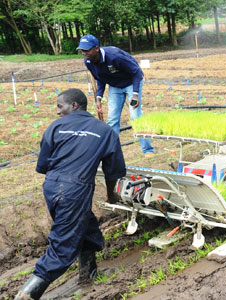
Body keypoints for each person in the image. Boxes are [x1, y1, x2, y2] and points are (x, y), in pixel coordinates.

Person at [14, 89, 126, 300]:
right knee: (63, 246)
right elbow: (114, 172)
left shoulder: (56, 127)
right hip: (75, 189)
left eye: (60, 106)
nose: (57, 112)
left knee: (85, 225)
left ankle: (88, 274)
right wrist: (111, 195)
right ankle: (27, 294)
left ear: (74, 106)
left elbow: (43, 165)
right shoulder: (105, 131)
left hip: (52, 186)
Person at [76, 34, 155, 158]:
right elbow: (100, 78)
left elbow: (137, 73)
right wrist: (98, 98)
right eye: (82, 50)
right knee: (112, 119)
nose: (84, 53)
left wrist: (134, 95)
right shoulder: (88, 62)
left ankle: (148, 150)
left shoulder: (114, 56)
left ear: (96, 48)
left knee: (135, 116)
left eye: (87, 50)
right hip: (115, 86)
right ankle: (110, 152)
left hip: (131, 83)